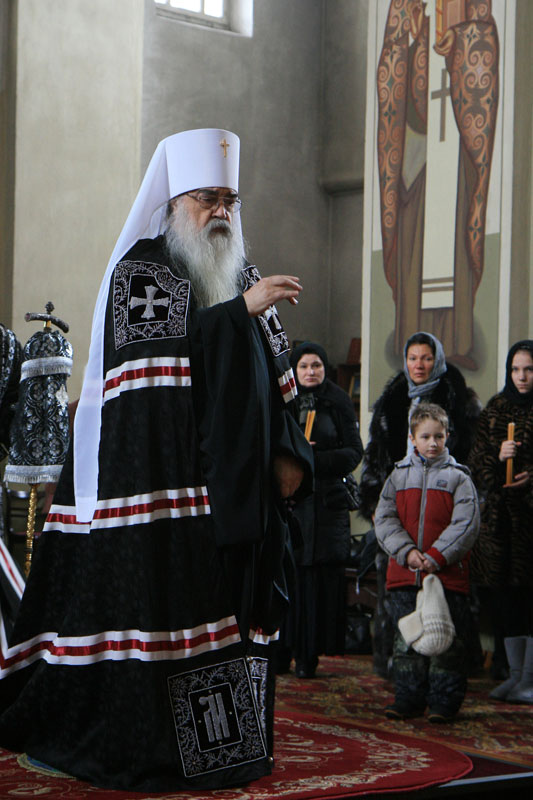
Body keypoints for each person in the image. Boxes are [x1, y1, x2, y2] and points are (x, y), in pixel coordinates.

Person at [0, 129, 313, 792]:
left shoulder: (243, 273)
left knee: (239, 621)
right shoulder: (142, 274)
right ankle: (170, 752)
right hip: (170, 497)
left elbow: (278, 380)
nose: (222, 211)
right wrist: (238, 313)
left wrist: (291, 453)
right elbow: (157, 373)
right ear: (174, 204)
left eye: (229, 199)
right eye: (207, 198)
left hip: (242, 496)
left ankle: (229, 747)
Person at [359, 331, 481, 678]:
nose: (419, 365)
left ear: (437, 359)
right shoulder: (393, 396)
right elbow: (376, 454)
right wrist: (375, 502)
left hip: (444, 507)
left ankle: (446, 669)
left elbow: (473, 455)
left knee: (446, 594)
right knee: (398, 591)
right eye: (413, 358)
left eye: (426, 358)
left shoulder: (456, 396)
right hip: (400, 503)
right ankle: (398, 666)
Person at [375, 403, 480, 723]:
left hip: (446, 576)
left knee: (447, 642)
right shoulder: (397, 477)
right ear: (412, 438)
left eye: (439, 436)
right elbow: (384, 519)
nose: (432, 443)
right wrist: (407, 552)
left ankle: (444, 702)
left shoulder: (459, 478)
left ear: (447, 436)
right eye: (425, 437)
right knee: (407, 641)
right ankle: (408, 698)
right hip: (404, 575)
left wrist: (436, 556)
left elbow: (466, 524)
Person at [277, 342, 363, 678]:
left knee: (316, 584)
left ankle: (308, 654)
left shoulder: (338, 401)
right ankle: (281, 651)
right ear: (294, 370)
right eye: (304, 366)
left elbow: (353, 452)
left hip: (327, 505)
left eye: (316, 366)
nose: (310, 372)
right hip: (292, 503)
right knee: (288, 576)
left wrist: (315, 458)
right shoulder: (284, 399)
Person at [468, 340, 533, 703]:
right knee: (504, 599)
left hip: (530, 521)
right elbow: (476, 461)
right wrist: (497, 454)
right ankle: (514, 674)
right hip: (500, 523)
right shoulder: (495, 408)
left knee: (529, 599)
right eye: (516, 369)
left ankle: (529, 679)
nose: (522, 377)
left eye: (529, 369)